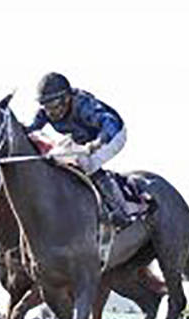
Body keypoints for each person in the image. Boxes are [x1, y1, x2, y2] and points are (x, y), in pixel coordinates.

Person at [26, 72, 141, 226]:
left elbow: (109, 122)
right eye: (46, 107)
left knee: (88, 164)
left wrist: (98, 142)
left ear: (67, 99)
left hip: (112, 135)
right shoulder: (46, 113)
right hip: (82, 137)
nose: (50, 113)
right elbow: (31, 129)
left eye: (53, 106)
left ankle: (118, 209)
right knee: (54, 158)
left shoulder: (83, 105)